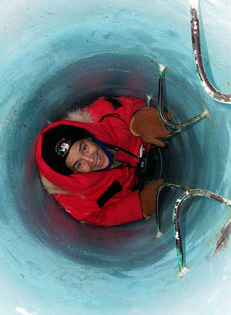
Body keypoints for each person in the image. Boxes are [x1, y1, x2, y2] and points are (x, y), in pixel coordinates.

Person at [35, 95, 172, 226]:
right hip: (135, 187)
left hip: (148, 146)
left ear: (87, 136)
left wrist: (139, 120)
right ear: (73, 173)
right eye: (79, 164)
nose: (91, 159)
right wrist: (140, 205)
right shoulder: (78, 202)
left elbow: (126, 107)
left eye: (84, 148)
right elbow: (101, 217)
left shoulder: (100, 116)